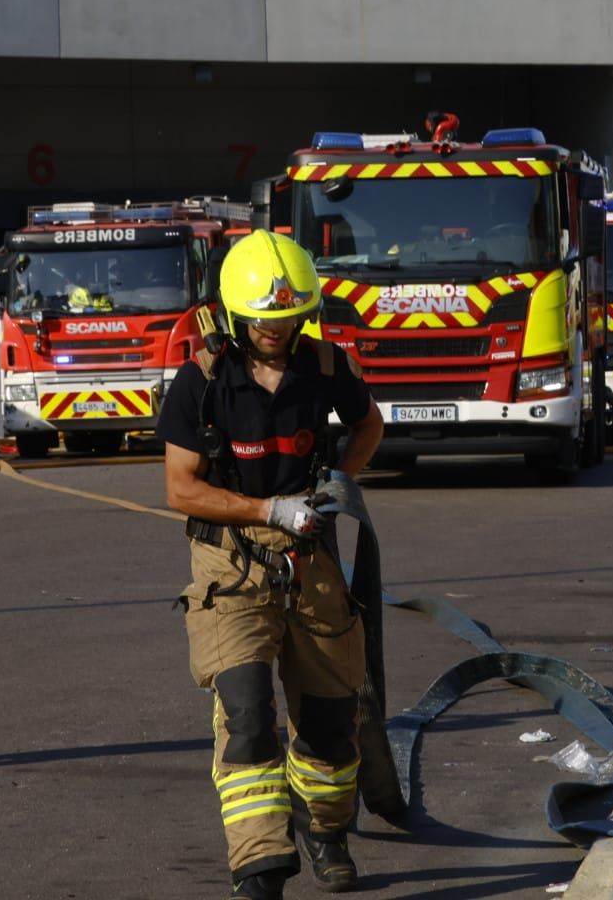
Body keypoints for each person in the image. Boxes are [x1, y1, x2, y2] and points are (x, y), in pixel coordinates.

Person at [157, 229, 385, 900]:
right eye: (263, 319)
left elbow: (369, 425)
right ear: (236, 313)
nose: (275, 330)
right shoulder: (202, 380)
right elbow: (181, 488)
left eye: (288, 318)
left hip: (312, 564)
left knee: (328, 724)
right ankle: (259, 866)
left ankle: (326, 829)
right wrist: (266, 512)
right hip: (231, 567)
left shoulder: (325, 364)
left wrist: (336, 482)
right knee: (249, 716)